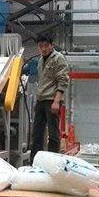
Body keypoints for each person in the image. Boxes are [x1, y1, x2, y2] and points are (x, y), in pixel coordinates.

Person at [30, 34, 70, 162]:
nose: (43, 49)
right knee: (37, 133)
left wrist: (57, 101)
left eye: (46, 45)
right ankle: (35, 162)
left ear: (52, 45)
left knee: (53, 134)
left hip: (52, 100)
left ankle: (52, 162)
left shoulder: (58, 58)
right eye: (41, 46)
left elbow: (63, 81)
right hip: (41, 99)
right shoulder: (40, 60)